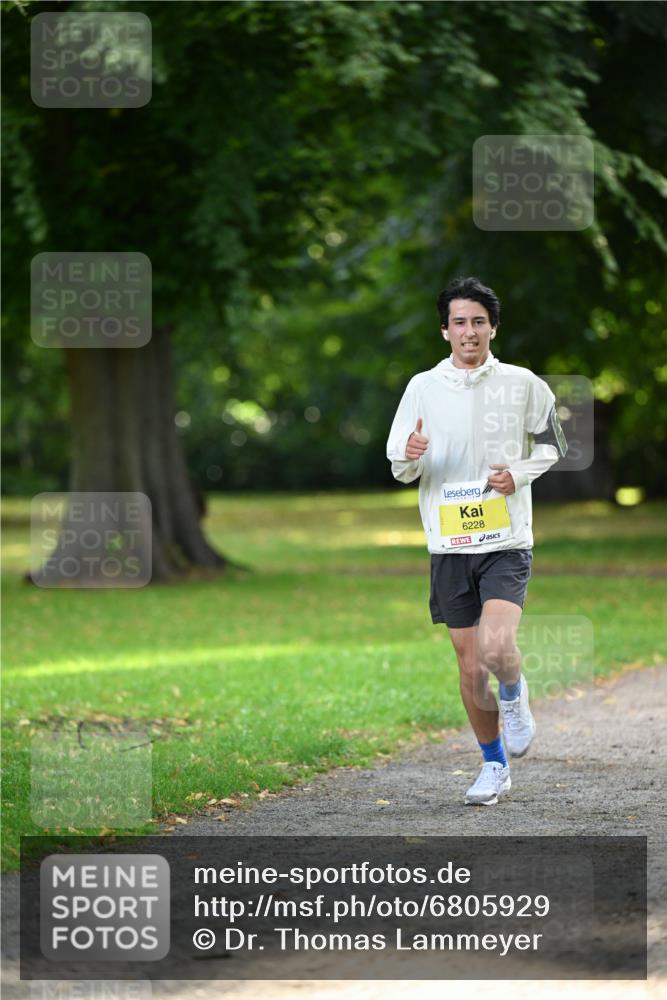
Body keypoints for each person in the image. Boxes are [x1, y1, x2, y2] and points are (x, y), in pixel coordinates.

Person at [386, 276, 567, 805]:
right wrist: (412, 452)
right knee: (469, 667)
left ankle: (513, 692)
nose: (469, 332)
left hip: (506, 536)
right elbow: (400, 464)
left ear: (493, 328)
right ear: (445, 330)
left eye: (479, 322)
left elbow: (552, 442)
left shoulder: (522, 382)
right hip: (448, 544)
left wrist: (521, 473)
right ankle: (493, 765)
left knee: (495, 647)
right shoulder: (423, 386)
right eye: (459, 322)